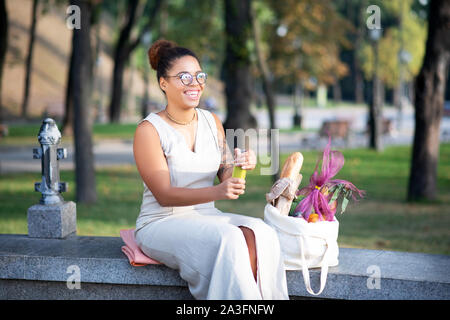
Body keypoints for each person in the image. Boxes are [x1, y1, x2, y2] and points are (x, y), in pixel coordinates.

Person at [133, 39, 288, 300]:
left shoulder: (210, 120)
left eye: (199, 76)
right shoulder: (149, 131)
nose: (195, 83)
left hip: (205, 215)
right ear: (163, 83)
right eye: (184, 77)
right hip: (161, 221)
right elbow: (164, 194)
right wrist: (218, 191)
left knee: (262, 233)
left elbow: (225, 170)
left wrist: (240, 167)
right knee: (229, 238)